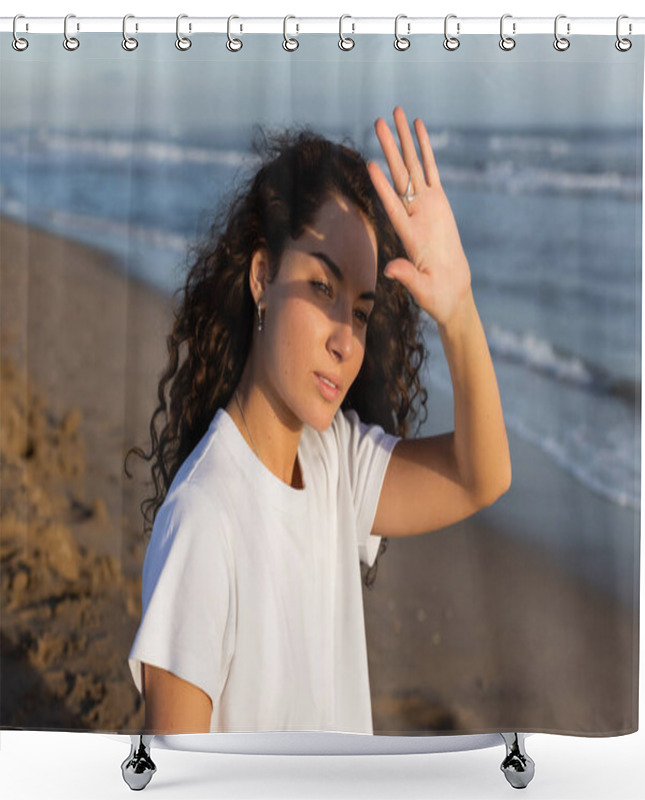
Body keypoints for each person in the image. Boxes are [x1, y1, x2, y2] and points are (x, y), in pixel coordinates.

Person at [126, 107, 511, 735]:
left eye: (359, 311)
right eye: (322, 287)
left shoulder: (334, 461)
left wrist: (458, 306)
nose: (344, 340)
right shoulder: (204, 521)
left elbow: (481, 477)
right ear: (262, 277)